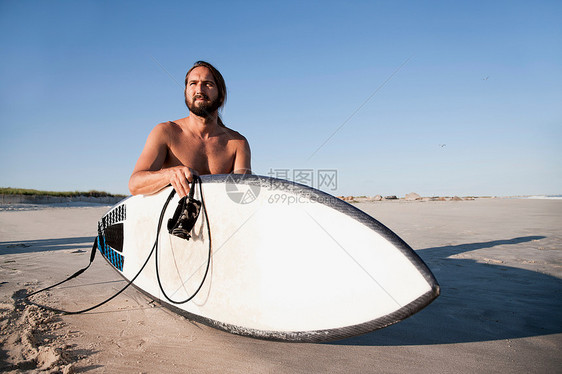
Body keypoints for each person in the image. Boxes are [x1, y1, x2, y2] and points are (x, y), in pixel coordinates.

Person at [129, 61, 251, 198]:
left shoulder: (237, 143)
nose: (199, 90)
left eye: (208, 84)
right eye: (193, 83)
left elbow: (243, 197)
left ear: (221, 95)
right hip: (175, 218)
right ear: (186, 92)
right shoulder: (165, 132)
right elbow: (135, 184)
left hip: (219, 219)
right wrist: (169, 174)